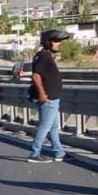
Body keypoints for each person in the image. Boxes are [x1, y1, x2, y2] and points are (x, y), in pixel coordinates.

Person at [28, 29, 69, 163]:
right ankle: (35, 153)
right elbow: (36, 75)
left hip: (52, 97)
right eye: (56, 41)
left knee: (52, 127)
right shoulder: (45, 56)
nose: (59, 44)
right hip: (48, 98)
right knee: (45, 126)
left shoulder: (42, 55)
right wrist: (42, 94)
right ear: (48, 42)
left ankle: (59, 152)